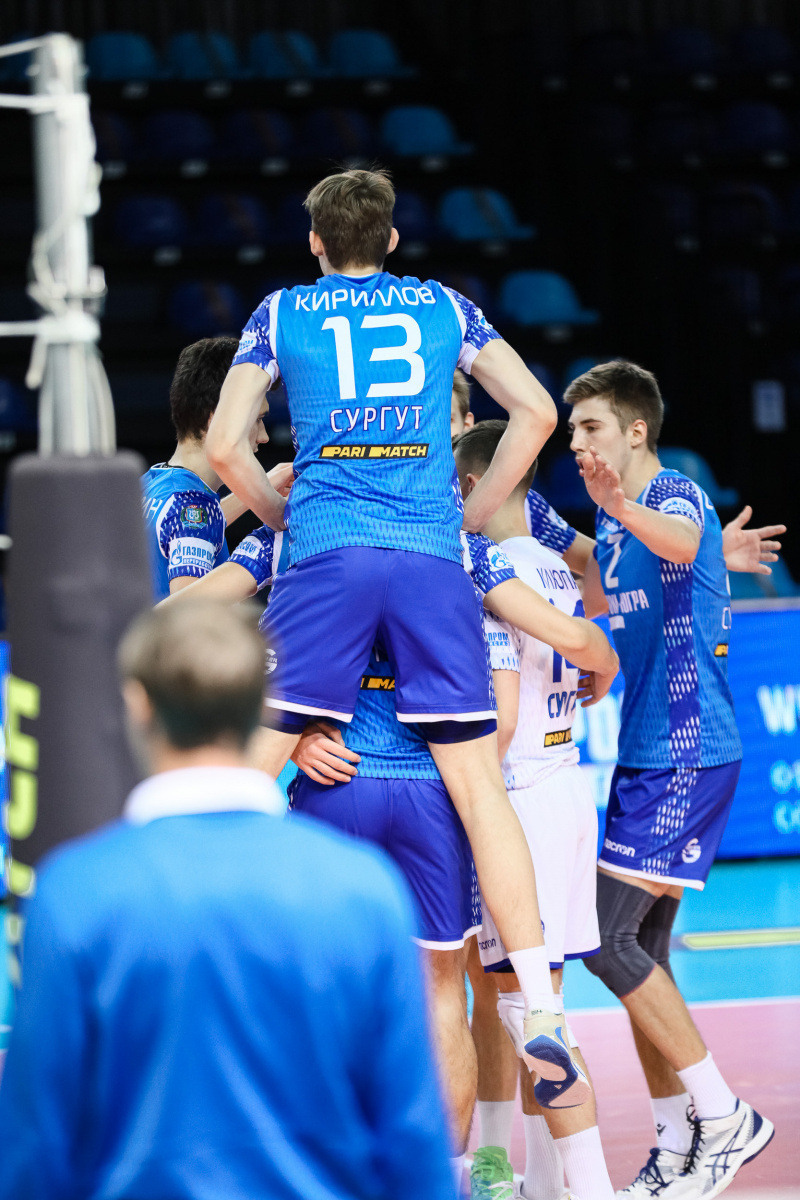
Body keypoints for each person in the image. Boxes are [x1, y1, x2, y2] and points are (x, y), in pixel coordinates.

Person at [206, 167, 579, 1077]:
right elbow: (536, 412)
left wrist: (284, 515)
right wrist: (467, 514)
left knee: (248, 770)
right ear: (394, 241)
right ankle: (541, 1001)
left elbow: (222, 444)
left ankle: (197, 967)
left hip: (328, 551)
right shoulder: (445, 305)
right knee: (479, 787)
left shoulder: (281, 312)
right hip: (428, 557)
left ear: (315, 242)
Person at [0, 601, 457, 1200]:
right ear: (264, 705)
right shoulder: (364, 889)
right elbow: (414, 1142)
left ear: (137, 704)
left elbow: (36, 1148)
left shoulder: (74, 892)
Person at [561, 361, 774, 1198]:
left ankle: (723, 1117)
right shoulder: (613, 522)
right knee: (641, 949)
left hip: (689, 747)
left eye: (591, 427)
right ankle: (676, 1136)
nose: (577, 443)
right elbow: (616, 591)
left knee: (604, 938)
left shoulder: (671, 493)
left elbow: (683, 538)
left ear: (635, 430)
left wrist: (689, 537)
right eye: (572, 431)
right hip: (646, 751)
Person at [455, 422, 618, 1200]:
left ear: (473, 488)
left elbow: (503, 714)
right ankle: (548, 1186)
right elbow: (592, 645)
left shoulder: (488, 570)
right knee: (540, 1005)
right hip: (567, 790)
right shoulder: (556, 566)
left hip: (518, 799)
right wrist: (603, 659)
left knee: (532, 1017)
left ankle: (588, 1186)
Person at [141, 336, 289, 600]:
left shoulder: (154, 483)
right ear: (217, 420)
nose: (264, 436)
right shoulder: (195, 508)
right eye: (257, 419)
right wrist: (256, 558)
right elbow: (189, 619)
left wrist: (262, 486)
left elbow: (189, 525)